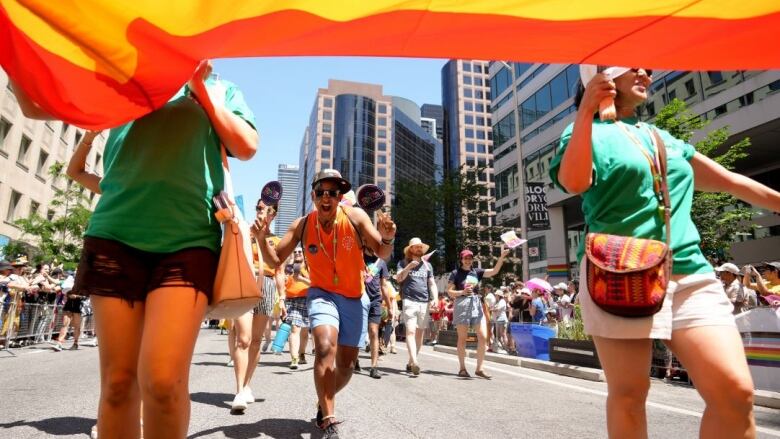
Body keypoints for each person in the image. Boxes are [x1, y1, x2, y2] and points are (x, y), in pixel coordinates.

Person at [551, 66, 780, 438]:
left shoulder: (662, 138)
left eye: (649, 68)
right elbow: (574, 181)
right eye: (633, 66)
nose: (646, 73)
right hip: (619, 272)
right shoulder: (583, 131)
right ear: (602, 76)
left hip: (690, 272)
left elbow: (732, 181)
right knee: (629, 396)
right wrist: (584, 112)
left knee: (735, 393)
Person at [53, 60, 258, 438]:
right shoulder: (116, 79)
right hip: (114, 237)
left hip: (188, 242)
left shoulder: (219, 87)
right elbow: (55, 100)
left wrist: (198, 86)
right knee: (117, 385)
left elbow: (245, 147)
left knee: (163, 383)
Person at [254, 169, 396, 438]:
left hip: (355, 297)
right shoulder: (302, 225)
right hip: (321, 294)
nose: (327, 197)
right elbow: (275, 260)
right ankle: (329, 418)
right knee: (324, 347)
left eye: (333, 192)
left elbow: (382, 251)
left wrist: (387, 236)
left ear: (340, 196)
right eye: (321, 192)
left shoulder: (355, 217)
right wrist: (262, 238)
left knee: (346, 365)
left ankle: (323, 401)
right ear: (313, 196)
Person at [229, 198, 286, 413]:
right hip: (246, 281)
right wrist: (250, 233)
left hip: (268, 285)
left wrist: (282, 296)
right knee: (242, 339)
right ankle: (239, 391)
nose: (262, 212)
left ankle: (246, 384)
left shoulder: (277, 240)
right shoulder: (244, 231)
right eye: (259, 208)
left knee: (256, 340)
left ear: (274, 215)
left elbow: (279, 270)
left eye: (267, 209)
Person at [447, 247, 509, 379]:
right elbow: (449, 291)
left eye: (470, 258)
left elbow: (494, 271)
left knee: (483, 336)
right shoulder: (455, 273)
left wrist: (502, 256)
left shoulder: (477, 272)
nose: (468, 260)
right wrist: (461, 292)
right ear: (461, 259)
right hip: (462, 303)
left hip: (476, 303)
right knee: (462, 338)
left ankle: (480, 368)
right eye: (465, 258)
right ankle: (462, 368)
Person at [394, 237, 438, 376]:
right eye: (416, 246)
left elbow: (431, 283)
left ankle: (410, 361)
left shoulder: (427, 265)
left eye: (420, 247)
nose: (418, 248)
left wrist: (435, 298)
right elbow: (398, 278)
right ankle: (415, 362)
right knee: (411, 332)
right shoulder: (402, 262)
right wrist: (408, 267)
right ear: (410, 249)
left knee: (420, 334)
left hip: (424, 302)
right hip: (410, 301)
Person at [363, 246, 390, 379]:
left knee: (374, 331)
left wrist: (390, 306)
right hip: (359, 298)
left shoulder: (381, 262)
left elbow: (384, 285)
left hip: (375, 300)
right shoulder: (358, 256)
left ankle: (374, 367)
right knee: (359, 331)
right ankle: (354, 360)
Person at [285, 250, 311, 370]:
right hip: (292, 300)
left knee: (305, 331)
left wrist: (301, 278)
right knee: (295, 328)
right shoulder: (288, 267)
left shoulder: (310, 266)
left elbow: (315, 283)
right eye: (295, 252)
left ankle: (301, 353)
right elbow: (282, 282)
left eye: (300, 252)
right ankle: (294, 358)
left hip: (307, 300)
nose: (297, 253)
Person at [491, 289, 509, 353]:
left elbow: (496, 309)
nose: (495, 296)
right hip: (498, 320)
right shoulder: (497, 302)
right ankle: (503, 347)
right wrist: (493, 309)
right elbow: (493, 308)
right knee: (498, 335)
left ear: (498, 295)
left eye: (496, 295)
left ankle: (506, 348)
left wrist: (493, 309)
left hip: (502, 319)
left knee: (503, 334)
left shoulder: (502, 301)